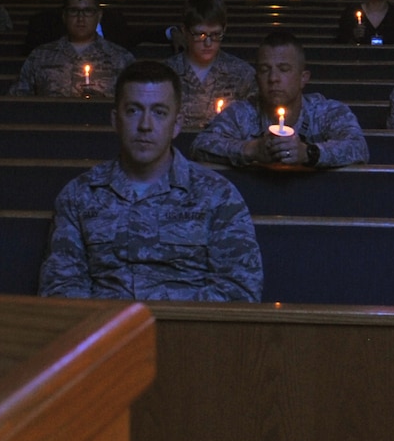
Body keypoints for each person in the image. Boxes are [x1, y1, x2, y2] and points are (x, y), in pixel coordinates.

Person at [38, 61, 263, 302]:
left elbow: (240, 290)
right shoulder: (79, 195)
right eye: (133, 110)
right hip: (105, 333)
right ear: (115, 120)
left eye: (159, 112)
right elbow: (61, 288)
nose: (145, 126)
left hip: (188, 333)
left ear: (177, 124)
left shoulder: (218, 195)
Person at [192, 28, 370, 169]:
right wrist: (252, 149)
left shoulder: (327, 112)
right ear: (256, 78)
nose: (273, 78)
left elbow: (358, 148)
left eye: (283, 69)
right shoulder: (241, 113)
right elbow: (200, 146)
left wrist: (307, 153)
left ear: (303, 78)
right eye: (264, 70)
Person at [8, 0, 132, 98]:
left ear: (98, 15)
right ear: (64, 16)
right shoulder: (41, 56)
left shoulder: (120, 59)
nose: (80, 18)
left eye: (87, 11)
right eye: (74, 11)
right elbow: (19, 99)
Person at [165, 0, 259, 131]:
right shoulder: (168, 74)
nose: (208, 43)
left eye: (215, 35)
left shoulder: (242, 74)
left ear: (224, 30)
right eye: (200, 35)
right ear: (185, 31)